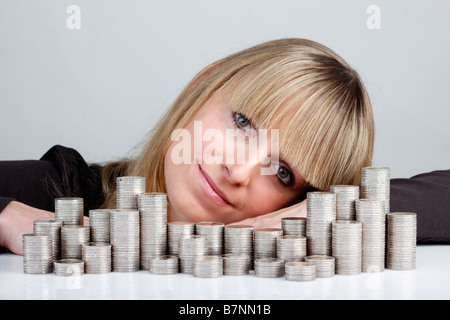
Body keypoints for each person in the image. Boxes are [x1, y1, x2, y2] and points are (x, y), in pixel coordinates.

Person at [0, 38, 448, 256]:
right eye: (242, 122)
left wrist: (333, 212)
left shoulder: (274, 260)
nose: (239, 169)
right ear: (203, 85)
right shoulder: (61, 185)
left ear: (299, 201)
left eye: (284, 172)